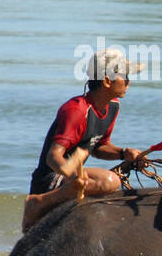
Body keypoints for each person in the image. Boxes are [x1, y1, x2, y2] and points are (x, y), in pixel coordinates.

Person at [22, 48, 146, 232]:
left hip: (72, 178)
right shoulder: (76, 110)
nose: (128, 81)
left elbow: (99, 147)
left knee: (112, 186)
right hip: (52, 180)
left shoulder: (113, 106)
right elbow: (53, 157)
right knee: (111, 182)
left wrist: (123, 153)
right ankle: (39, 202)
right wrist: (74, 176)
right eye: (124, 76)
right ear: (107, 81)